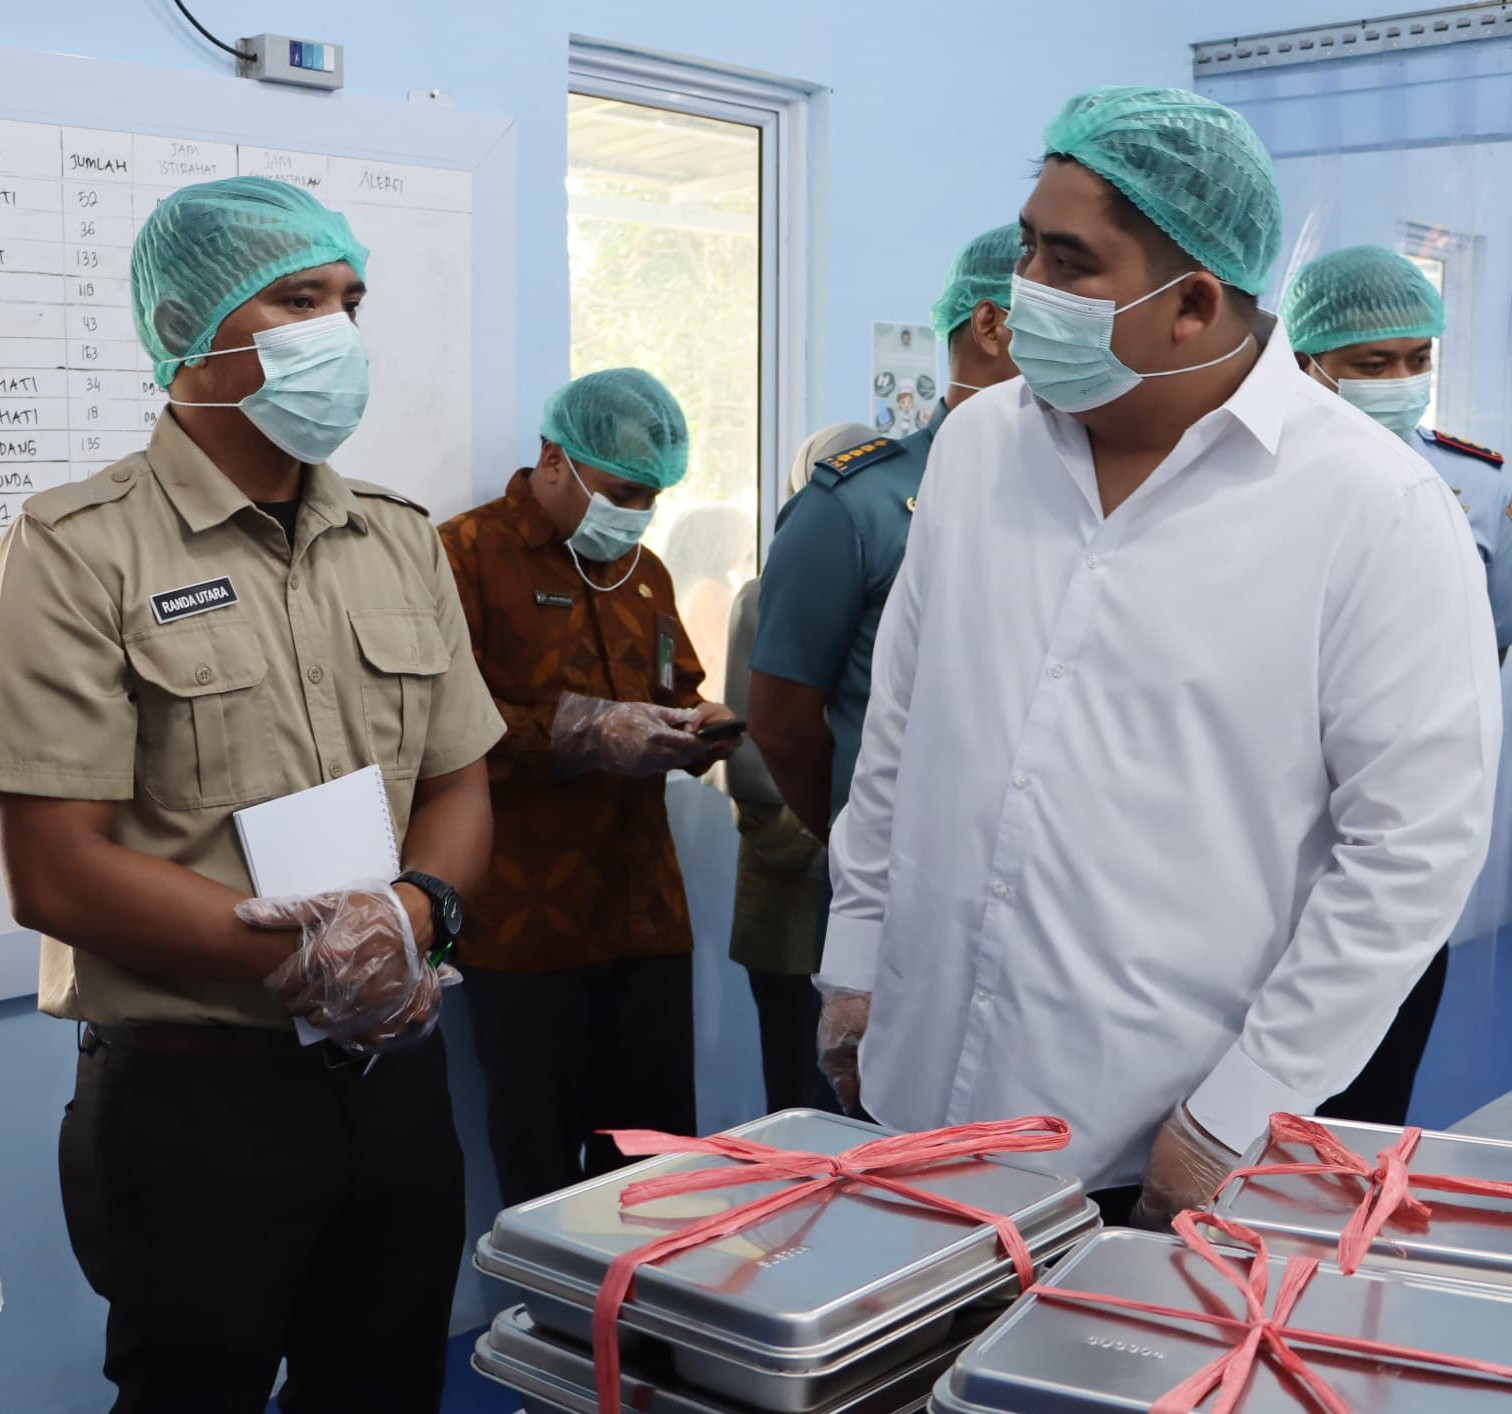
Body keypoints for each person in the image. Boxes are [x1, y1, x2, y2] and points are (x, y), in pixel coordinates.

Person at [815, 87, 1500, 1229]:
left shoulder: (1370, 508)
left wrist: (1239, 1110)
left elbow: (1410, 851)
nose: (1023, 291)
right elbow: (902, 726)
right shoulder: (979, 449)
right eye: (1027, 246)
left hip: (1153, 1147)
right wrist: (855, 958)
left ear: (1193, 303)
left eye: (1069, 263)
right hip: (919, 1094)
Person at [0, 176, 503, 1414]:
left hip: (392, 1082)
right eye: (298, 299)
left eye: (350, 300)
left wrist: (414, 917)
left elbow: (459, 780)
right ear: (188, 325)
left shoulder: (398, 538)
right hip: (196, 1100)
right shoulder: (77, 548)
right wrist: (313, 956)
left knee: (387, 1387)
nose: (338, 331)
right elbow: (57, 869)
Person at [440, 368, 741, 1206]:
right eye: (622, 493)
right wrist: (584, 731)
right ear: (553, 460)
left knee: (657, 1179)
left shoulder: (646, 574)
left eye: (652, 498)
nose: (637, 514)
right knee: (542, 1185)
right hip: (523, 927)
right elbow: (436, 728)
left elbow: (674, 686)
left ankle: (647, 1301)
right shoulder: (463, 556)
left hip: (646, 919)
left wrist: (697, 727)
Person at [1280, 243, 1512, 1126]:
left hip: (1401, 826)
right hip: (1267, 816)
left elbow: (1489, 637)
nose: (1401, 382)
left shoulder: (1476, 483)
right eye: (1373, 364)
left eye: (1418, 359)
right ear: (1310, 359)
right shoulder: (1253, 472)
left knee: (1373, 1098)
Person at [748, 222, 1022, 846]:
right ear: (990, 325)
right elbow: (781, 724)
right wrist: (856, 844)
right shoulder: (855, 507)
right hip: (893, 874)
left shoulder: (1078, 500)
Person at [726, 422, 874, 1113]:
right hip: (792, 888)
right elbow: (757, 758)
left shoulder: (906, 591)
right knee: (799, 1096)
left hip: (866, 885)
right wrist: (845, 851)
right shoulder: (766, 599)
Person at [661, 502, 757, 700]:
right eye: (745, 539)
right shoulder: (709, 593)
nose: (749, 548)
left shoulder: (698, 588)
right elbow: (741, 655)